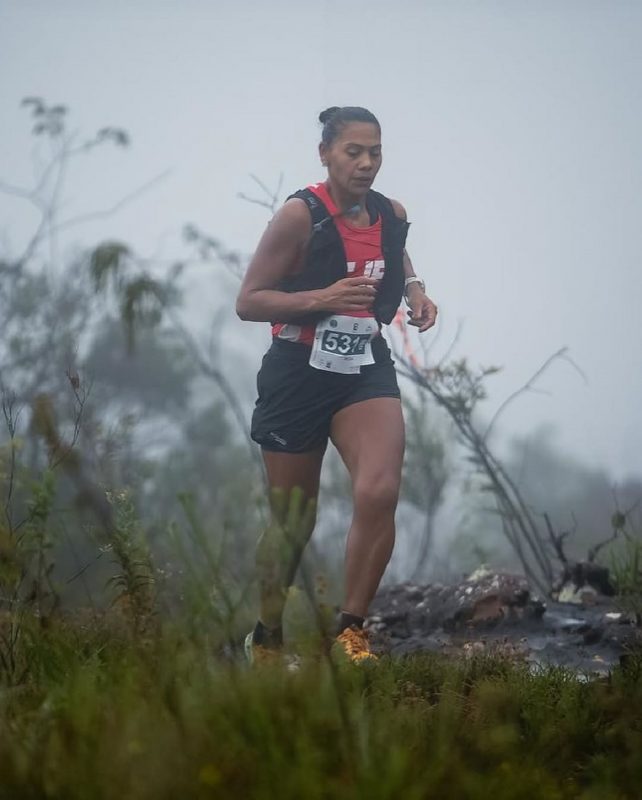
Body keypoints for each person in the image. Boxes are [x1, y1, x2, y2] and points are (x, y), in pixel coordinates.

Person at [236, 106, 437, 664]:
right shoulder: (300, 217)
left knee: (380, 490)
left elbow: (391, 247)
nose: (366, 163)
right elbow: (249, 300)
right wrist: (320, 300)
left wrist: (416, 289)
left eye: (375, 152)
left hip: (361, 368)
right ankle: (267, 635)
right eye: (354, 151)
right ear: (325, 153)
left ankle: (352, 631)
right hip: (296, 373)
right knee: (294, 521)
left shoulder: (390, 213)